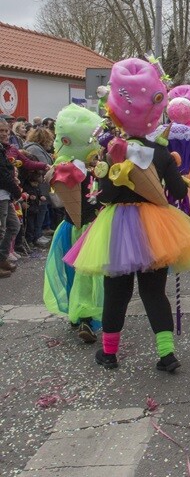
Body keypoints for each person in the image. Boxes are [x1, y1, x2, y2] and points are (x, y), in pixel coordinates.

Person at [65, 58, 190, 372]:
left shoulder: (110, 149)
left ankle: (109, 353)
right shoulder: (161, 151)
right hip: (154, 227)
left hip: (116, 226)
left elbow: (104, 194)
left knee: (116, 293)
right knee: (153, 292)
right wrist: (172, 169)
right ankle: (166, 354)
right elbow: (175, 191)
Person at [42, 105, 105, 343]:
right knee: (88, 274)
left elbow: (57, 202)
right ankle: (86, 317)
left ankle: (76, 314)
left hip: (68, 227)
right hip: (89, 228)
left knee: (72, 271)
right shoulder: (94, 171)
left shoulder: (62, 169)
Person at [23, 127, 56, 248]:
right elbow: (43, 167)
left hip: (41, 186)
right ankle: (36, 236)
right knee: (39, 211)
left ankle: (38, 234)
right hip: (38, 187)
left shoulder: (36, 148)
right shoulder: (35, 149)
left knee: (42, 210)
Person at [0, 119, 23, 278]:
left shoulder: (3, 148)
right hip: (2, 193)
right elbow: (2, 175)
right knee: (1, 230)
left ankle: (2, 258)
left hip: (5, 194)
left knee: (14, 225)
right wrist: (17, 191)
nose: (4, 134)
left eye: (6, 131)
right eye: (1, 131)